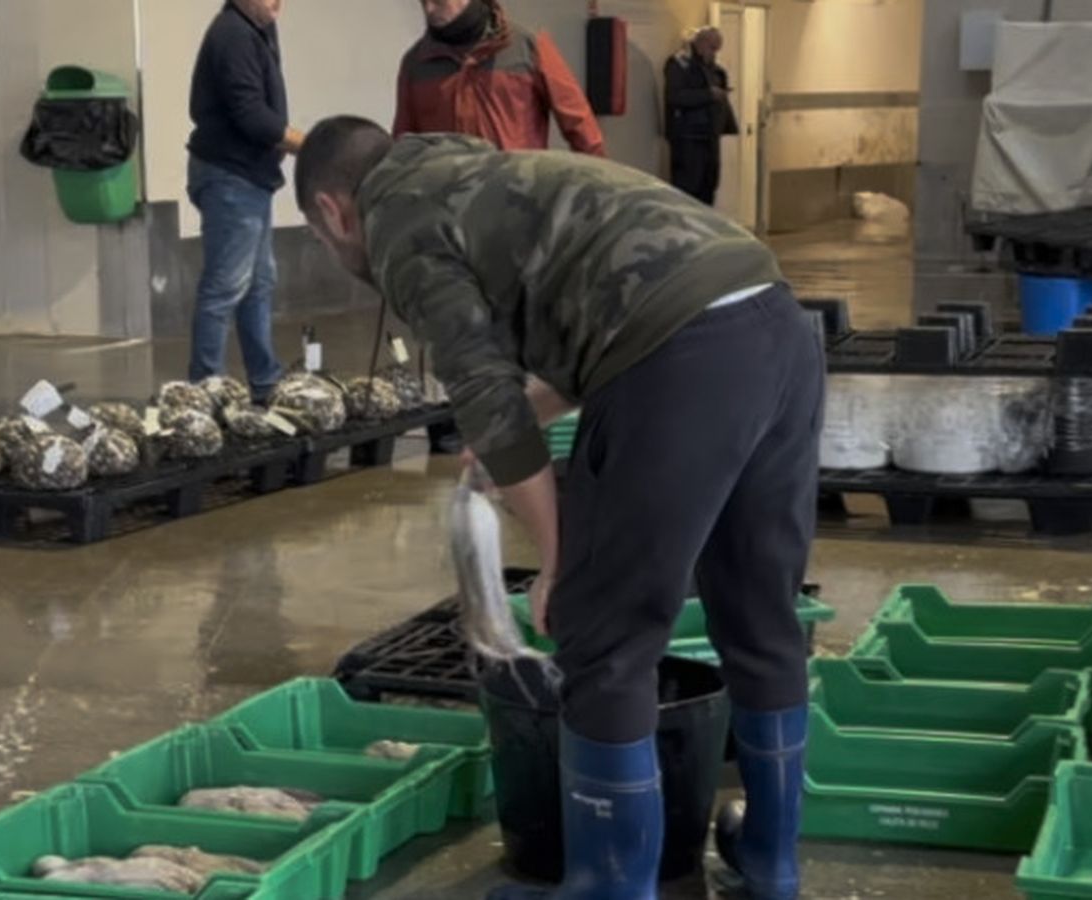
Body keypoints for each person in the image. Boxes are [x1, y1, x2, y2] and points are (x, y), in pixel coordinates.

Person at [296, 117, 822, 900]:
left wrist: (559, 553)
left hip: (683, 353)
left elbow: (488, 402)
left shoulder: (396, 224)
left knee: (604, 637)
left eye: (325, 237)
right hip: (776, 324)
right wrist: (536, 411)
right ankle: (773, 862)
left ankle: (609, 886)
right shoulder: (468, 169)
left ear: (334, 212)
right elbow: (602, 300)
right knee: (760, 612)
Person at [185, 0, 304, 403]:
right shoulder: (233, 35)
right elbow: (252, 115)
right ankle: (204, 396)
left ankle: (265, 385)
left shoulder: (258, 29)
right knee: (225, 287)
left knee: (258, 283)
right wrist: (312, 145)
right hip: (229, 177)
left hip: (249, 177)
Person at [394, 0, 605, 156]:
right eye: (423, 3)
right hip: (448, 206)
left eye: (438, 2)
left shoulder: (528, 47)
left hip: (517, 201)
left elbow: (580, 127)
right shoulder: (416, 64)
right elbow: (402, 147)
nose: (429, 10)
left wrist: (600, 196)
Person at [664, 26, 739, 206]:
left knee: (709, 187)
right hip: (688, 139)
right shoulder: (680, 65)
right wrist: (708, 94)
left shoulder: (716, 71)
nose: (714, 54)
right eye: (712, 48)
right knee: (688, 192)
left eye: (717, 49)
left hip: (710, 137)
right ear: (700, 43)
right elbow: (675, 96)